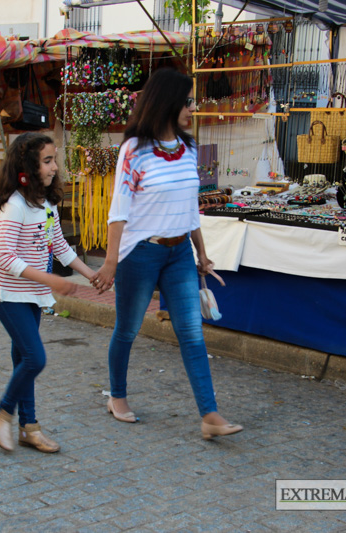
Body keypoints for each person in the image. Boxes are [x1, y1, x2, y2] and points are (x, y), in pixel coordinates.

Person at [91, 68, 242, 441]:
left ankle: (210, 415)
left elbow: (190, 208)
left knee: (192, 334)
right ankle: (118, 396)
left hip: (178, 256)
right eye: (188, 101)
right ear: (168, 102)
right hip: (140, 254)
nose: (194, 107)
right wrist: (110, 263)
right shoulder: (134, 150)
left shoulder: (189, 148)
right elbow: (119, 211)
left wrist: (202, 253)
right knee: (127, 330)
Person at [0, 132, 97, 453]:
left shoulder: (45, 204)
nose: (55, 167)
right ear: (27, 167)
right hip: (7, 294)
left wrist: (92, 274)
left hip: (31, 294)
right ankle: (2, 411)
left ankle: (29, 427)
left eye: (54, 160)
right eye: (47, 161)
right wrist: (51, 281)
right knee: (34, 358)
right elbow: (4, 257)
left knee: (23, 356)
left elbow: (58, 245)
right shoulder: (15, 205)